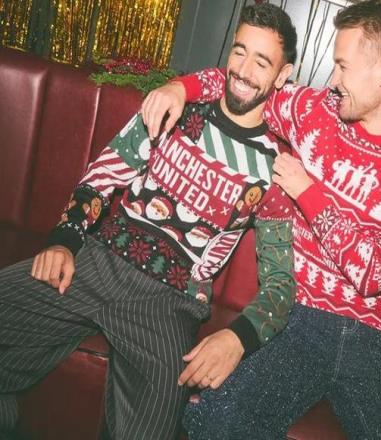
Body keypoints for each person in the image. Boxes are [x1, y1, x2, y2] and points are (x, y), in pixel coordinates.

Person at [140, 0, 381, 438]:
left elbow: (374, 272)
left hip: (375, 339)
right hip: (300, 319)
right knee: (216, 421)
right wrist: (180, 88)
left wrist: (307, 191)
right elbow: (245, 81)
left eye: (342, 66)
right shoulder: (316, 111)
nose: (332, 79)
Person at [0, 4, 297, 439]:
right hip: (97, 261)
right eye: (239, 51)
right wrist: (64, 240)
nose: (243, 70)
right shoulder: (173, 107)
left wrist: (238, 338)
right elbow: (102, 177)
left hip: (169, 303)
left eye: (262, 61)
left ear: (283, 74)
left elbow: (281, 285)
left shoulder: (275, 169)